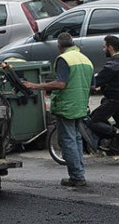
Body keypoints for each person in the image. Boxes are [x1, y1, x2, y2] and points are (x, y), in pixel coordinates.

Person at [15, 32, 93, 188]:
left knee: (68, 141)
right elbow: (90, 84)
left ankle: (77, 176)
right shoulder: (86, 60)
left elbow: (61, 84)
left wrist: (35, 86)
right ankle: (79, 173)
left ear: (59, 46)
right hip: (80, 105)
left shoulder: (64, 59)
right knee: (76, 139)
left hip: (67, 106)